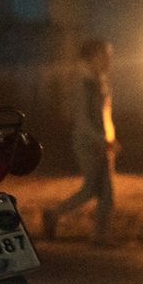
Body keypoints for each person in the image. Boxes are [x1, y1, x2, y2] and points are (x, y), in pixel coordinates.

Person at [44, 38, 117, 243]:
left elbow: (104, 114)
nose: (109, 60)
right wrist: (102, 139)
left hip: (100, 140)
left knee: (102, 190)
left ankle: (98, 233)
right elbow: (83, 118)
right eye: (105, 55)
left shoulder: (97, 80)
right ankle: (57, 215)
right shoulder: (84, 81)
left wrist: (109, 138)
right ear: (92, 56)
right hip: (88, 141)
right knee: (96, 189)